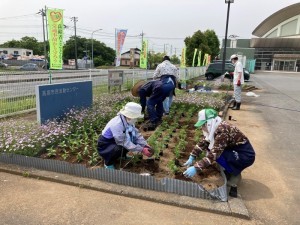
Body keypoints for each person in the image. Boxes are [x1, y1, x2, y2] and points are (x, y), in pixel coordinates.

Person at [183, 108, 255, 197]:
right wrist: (192, 156)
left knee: (217, 154)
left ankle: (235, 176)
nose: (202, 127)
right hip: (235, 151)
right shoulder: (215, 127)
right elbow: (204, 142)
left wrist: (196, 168)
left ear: (209, 122)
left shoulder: (222, 131)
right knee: (213, 150)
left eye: (203, 125)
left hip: (244, 156)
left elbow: (214, 154)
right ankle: (229, 170)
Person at [97, 102, 153, 169]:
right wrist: (141, 149)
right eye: (136, 117)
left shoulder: (128, 121)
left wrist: (145, 145)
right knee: (119, 148)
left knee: (131, 139)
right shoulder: (117, 124)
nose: (136, 119)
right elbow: (123, 142)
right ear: (130, 116)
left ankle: (122, 156)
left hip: (117, 141)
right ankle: (108, 163)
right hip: (106, 144)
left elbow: (136, 134)